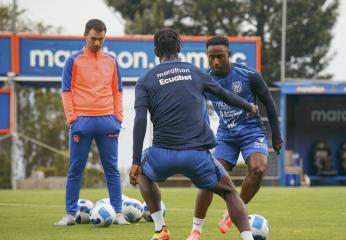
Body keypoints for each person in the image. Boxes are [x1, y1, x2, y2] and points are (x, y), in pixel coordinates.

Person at [129, 28, 256, 240]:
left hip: (161, 155)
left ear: (155, 51)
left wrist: (135, 161)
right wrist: (248, 106)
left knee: (142, 171)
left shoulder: (145, 80)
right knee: (229, 192)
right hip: (196, 157)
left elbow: (140, 120)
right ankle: (248, 238)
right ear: (179, 48)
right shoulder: (196, 72)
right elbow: (224, 95)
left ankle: (161, 229)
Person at [187, 36, 283, 239]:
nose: (215, 62)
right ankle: (196, 230)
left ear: (229, 55)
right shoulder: (204, 78)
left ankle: (233, 212)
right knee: (208, 177)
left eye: (220, 57)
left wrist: (276, 136)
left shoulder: (249, 75)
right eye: (211, 57)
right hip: (225, 135)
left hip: (252, 132)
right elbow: (192, 106)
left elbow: (269, 103)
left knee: (258, 169)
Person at [55, 19, 129, 226]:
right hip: (82, 122)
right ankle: (70, 215)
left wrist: (118, 117)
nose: (97, 43)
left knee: (111, 169)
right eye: (94, 38)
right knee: (76, 168)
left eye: (101, 39)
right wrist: (72, 119)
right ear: (85, 35)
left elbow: (118, 91)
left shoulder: (112, 61)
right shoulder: (73, 60)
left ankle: (118, 213)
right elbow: (66, 91)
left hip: (108, 121)